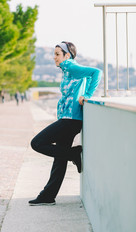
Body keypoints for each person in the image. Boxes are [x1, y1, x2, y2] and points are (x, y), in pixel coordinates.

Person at [29, 41, 102, 206]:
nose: (54, 57)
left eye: (57, 54)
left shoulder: (70, 66)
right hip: (68, 119)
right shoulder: (67, 69)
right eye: (54, 54)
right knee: (59, 158)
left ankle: (73, 154)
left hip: (70, 120)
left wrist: (88, 95)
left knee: (37, 143)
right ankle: (47, 196)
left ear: (67, 55)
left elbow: (97, 72)